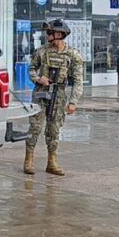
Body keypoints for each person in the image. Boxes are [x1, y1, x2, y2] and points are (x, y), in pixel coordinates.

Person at [24, 19, 84, 176]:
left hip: (59, 95)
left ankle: (52, 162)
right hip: (40, 93)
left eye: (50, 32)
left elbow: (78, 81)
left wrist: (73, 102)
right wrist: (37, 78)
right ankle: (29, 160)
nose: (47, 35)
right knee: (35, 127)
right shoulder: (41, 51)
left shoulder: (73, 55)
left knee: (54, 129)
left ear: (60, 34)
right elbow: (31, 69)